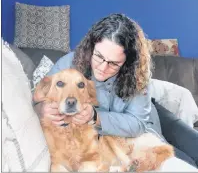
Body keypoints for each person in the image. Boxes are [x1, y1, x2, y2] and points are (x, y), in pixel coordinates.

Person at [34, 13, 197, 168]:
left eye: (113, 63)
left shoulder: (137, 74)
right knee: (183, 162)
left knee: (191, 150)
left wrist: (96, 117)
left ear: (127, 62)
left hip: (149, 116)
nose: (103, 68)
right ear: (91, 47)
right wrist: (42, 109)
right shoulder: (69, 63)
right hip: (115, 138)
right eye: (98, 56)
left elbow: (138, 123)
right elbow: (37, 98)